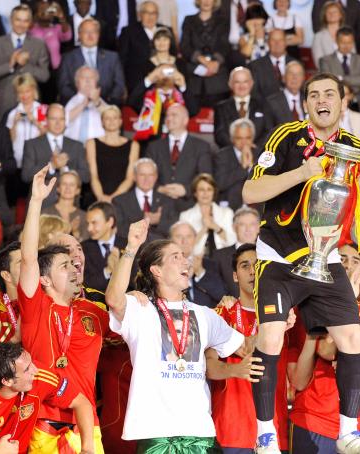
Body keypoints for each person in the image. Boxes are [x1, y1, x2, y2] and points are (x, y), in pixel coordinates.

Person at [242, 72, 360, 454]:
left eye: (330, 94)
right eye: (313, 95)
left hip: (325, 258)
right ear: (305, 104)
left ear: (344, 103)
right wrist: (300, 173)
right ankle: (265, 435)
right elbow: (250, 191)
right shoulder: (285, 138)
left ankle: (347, 432)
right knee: (272, 337)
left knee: (352, 338)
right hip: (279, 255)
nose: (321, 100)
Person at [104, 222, 250, 452]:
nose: (186, 261)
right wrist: (131, 247)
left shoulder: (204, 314)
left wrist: (276, 324)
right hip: (155, 435)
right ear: (157, 270)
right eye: (175, 257)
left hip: (200, 433)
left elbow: (246, 347)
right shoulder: (139, 308)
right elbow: (113, 299)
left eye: (184, 256)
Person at [18, 166, 108, 451]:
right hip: (43, 422)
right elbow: (30, 258)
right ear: (44, 279)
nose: (73, 269)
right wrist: (35, 202)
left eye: (74, 264)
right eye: (63, 266)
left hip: (87, 424)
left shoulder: (91, 311)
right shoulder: (36, 307)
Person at [211, 243, 290, 452]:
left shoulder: (287, 313)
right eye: (245, 266)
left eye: (258, 265)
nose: (252, 271)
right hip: (231, 429)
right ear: (235, 276)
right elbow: (209, 366)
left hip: (274, 430)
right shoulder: (221, 314)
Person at [0, 4, 51, 122]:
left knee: (36, 137)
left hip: (33, 102)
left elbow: (45, 76)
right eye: (18, 20)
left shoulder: (39, 44)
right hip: (3, 102)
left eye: (25, 21)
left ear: (30, 22)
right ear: (11, 20)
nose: (21, 24)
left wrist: (24, 65)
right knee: (2, 137)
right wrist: (11, 65)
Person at [145, 104, 214, 209]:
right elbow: (144, 175)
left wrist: (186, 190)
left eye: (174, 115)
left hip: (190, 204)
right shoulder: (154, 147)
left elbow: (205, 177)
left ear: (185, 120)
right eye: (167, 116)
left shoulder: (201, 146)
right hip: (159, 205)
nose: (169, 118)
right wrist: (160, 189)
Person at [22, 104, 90, 204]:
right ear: (46, 120)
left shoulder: (77, 146)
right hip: (41, 205)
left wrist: (66, 169)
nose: (58, 123)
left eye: (61, 119)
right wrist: (52, 166)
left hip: (70, 207)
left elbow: (86, 176)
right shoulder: (32, 144)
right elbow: (26, 175)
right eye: (54, 118)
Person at [57, 18, 126, 105]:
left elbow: (119, 85)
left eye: (93, 32)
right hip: (76, 106)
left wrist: (103, 103)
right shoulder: (68, 58)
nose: (90, 35)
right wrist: (80, 100)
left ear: (98, 35)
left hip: (107, 108)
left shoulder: (112, 57)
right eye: (86, 32)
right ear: (79, 35)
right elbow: (63, 86)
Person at [180, 0, 232, 107]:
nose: (206, 1)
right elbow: (185, 47)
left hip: (218, 79)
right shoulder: (188, 20)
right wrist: (201, 59)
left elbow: (225, 46)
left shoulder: (223, 21)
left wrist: (216, 63)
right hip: (194, 79)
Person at [86, 105, 139, 203]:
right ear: (102, 122)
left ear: (120, 121)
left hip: (123, 197)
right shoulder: (91, 143)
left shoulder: (133, 145)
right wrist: (101, 197)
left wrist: (113, 198)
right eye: (107, 118)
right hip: (97, 196)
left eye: (115, 118)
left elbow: (130, 178)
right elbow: (93, 175)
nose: (111, 121)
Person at [213, 67, 275, 149]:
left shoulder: (264, 105)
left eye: (245, 81)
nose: (241, 86)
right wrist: (237, 149)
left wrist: (253, 148)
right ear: (230, 84)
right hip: (231, 154)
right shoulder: (221, 107)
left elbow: (269, 131)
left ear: (251, 83)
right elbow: (220, 135)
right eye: (237, 82)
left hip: (258, 153)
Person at [179, 174, 237, 257]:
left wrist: (215, 227)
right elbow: (185, 247)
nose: (205, 193)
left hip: (223, 258)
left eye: (209, 189)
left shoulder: (227, 213)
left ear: (214, 192)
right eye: (201, 189)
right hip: (196, 259)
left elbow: (233, 241)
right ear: (195, 193)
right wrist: (204, 228)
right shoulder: (185, 216)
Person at [319, 28, 360, 118]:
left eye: (349, 43)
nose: (346, 46)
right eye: (343, 42)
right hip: (335, 106)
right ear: (336, 41)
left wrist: (342, 78)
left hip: (359, 105)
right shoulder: (326, 60)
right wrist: (346, 93)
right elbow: (328, 81)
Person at [5, 74, 45, 170]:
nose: (24, 95)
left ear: (33, 90)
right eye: (20, 92)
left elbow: (46, 135)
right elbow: (9, 140)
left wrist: (35, 121)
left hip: (37, 159)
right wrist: (14, 123)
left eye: (27, 91)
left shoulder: (41, 109)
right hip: (18, 159)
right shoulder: (12, 113)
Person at [215, 119, 257, 210]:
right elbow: (220, 184)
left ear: (253, 138)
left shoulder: (261, 155)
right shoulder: (222, 156)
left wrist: (251, 167)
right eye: (239, 138)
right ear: (232, 139)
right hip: (228, 208)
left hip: (256, 208)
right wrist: (243, 168)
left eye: (248, 138)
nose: (244, 142)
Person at [65, 66, 108, 143]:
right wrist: (83, 105)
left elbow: (111, 118)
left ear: (96, 83)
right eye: (83, 77)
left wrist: (97, 102)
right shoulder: (72, 102)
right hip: (73, 147)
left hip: (98, 146)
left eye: (91, 78)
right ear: (77, 83)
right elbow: (63, 120)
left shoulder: (101, 102)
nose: (88, 80)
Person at [43, 171, 87, 239]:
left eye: (72, 184)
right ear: (58, 188)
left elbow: (86, 244)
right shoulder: (46, 213)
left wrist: (75, 232)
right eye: (64, 184)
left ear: (78, 190)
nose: (68, 188)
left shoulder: (84, 216)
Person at [29, 1, 72, 72]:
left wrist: (61, 17)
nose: (45, 11)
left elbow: (67, 36)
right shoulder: (32, 28)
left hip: (56, 69)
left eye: (48, 9)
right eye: (42, 9)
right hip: (36, 70)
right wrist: (39, 14)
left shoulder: (56, 28)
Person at [311, 0, 346, 66]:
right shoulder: (318, 37)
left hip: (348, 75)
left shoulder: (348, 34)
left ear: (341, 15)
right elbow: (319, 63)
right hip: (327, 74)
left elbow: (353, 60)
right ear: (324, 16)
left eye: (335, 12)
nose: (332, 14)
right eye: (328, 12)